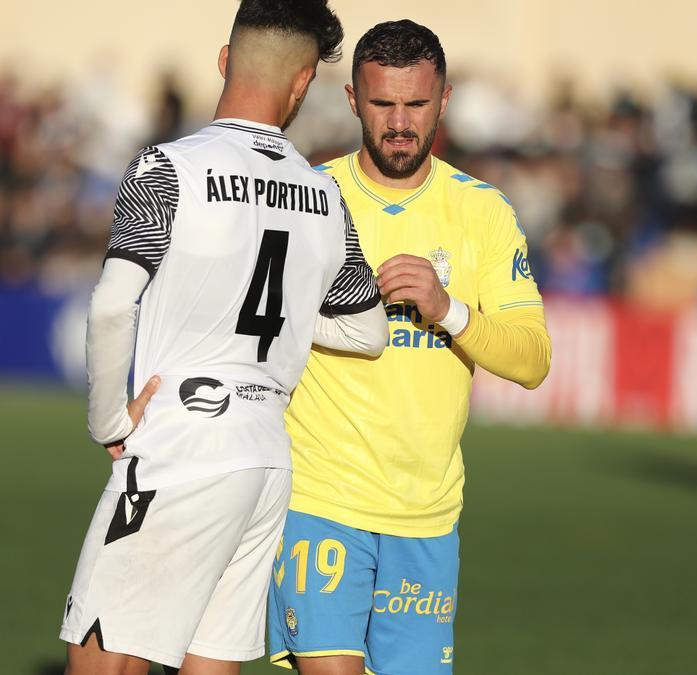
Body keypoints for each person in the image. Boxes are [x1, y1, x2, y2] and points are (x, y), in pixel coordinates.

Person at [58, 2, 388, 673]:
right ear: (301, 84)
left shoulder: (169, 165)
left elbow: (112, 304)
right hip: (264, 455)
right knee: (211, 660)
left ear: (222, 61)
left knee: (103, 657)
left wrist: (109, 421)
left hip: (182, 441)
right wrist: (291, 312)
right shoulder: (323, 195)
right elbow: (368, 328)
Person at [267, 20, 552, 675]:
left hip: (426, 513)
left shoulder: (481, 212)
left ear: (443, 101)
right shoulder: (308, 198)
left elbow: (532, 360)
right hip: (319, 500)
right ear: (351, 101)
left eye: (416, 105)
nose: (399, 122)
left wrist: (447, 308)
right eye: (382, 103)